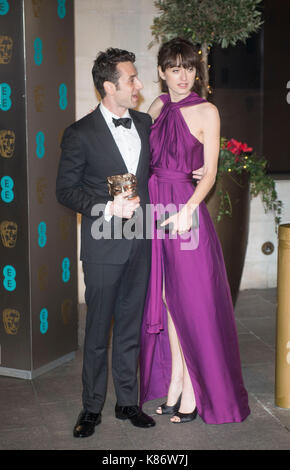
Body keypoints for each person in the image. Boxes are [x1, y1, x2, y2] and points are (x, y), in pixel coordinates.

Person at [139, 38, 250, 424]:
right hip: (155, 208)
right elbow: (140, 159)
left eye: (189, 68)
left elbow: (212, 172)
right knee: (168, 299)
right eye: (175, 68)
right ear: (161, 72)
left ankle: (190, 390)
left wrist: (188, 208)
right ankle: (174, 382)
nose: (183, 76)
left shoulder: (207, 111)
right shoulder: (156, 107)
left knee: (190, 301)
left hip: (184, 212)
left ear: (196, 72)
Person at [56, 47, 156, 438]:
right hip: (102, 246)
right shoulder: (80, 133)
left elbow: (158, 171)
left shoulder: (145, 123)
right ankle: (91, 407)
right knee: (98, 330)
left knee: (130, 327)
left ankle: (127, 402)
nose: (139, 85)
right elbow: (65, 192)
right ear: (108, 86)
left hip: (140, 243)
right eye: (131, 79)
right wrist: (106, 207)